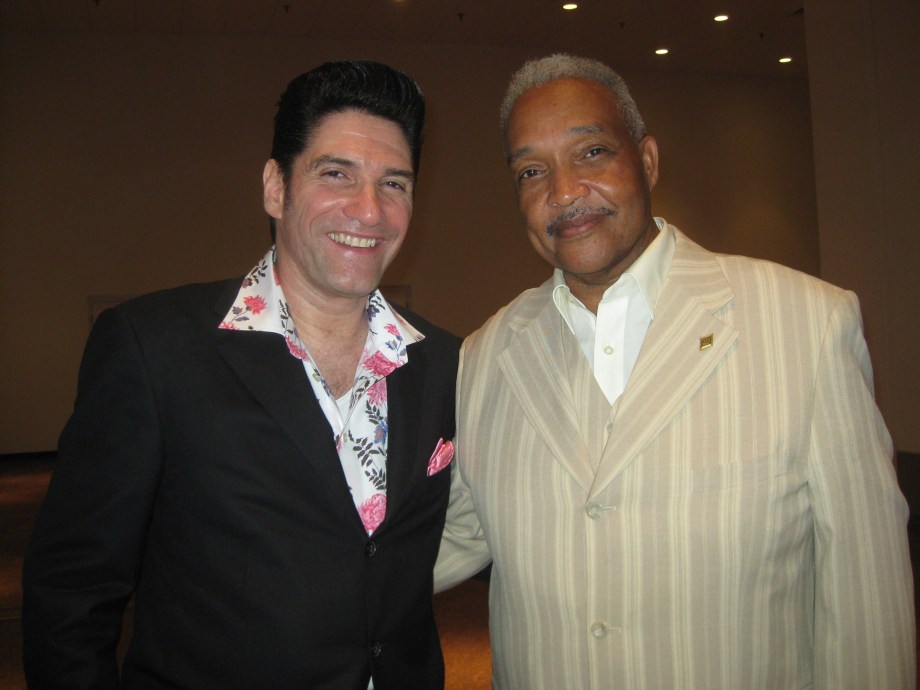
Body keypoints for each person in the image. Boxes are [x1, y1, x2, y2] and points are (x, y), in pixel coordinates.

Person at [435, 53, 915, 689]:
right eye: (531, 170)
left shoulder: (807, 325)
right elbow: (439, 539)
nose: (564, 191)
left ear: (648, 160)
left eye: (591, 153)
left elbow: (869, 609)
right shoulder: (485, 357)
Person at [22, 60, 459, 690]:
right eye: (336, 173)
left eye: (394, 183)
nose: (369, 210)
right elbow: (71, 592)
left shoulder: (442, 362)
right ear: (276, 188)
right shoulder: (155, 349)